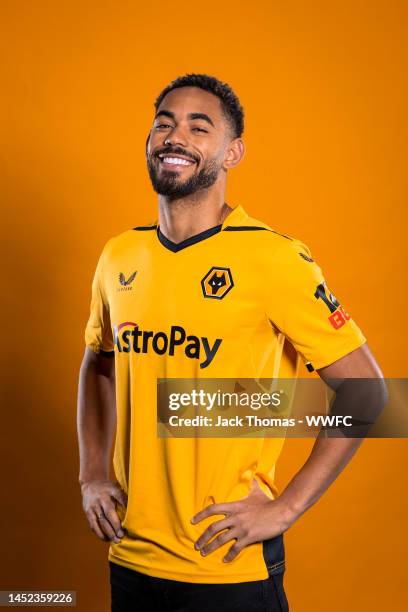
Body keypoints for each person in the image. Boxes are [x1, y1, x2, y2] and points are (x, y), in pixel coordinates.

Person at [77, 74, 386, 611]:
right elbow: (98, 365)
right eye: (164, 124)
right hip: (131, 560)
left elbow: (369, 393)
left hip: (228, 569)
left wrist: (285, 509)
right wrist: (91, 475)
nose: (176, 136)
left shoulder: (273, 259)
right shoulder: (118, 256)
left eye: (200, 127)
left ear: (233, 152)